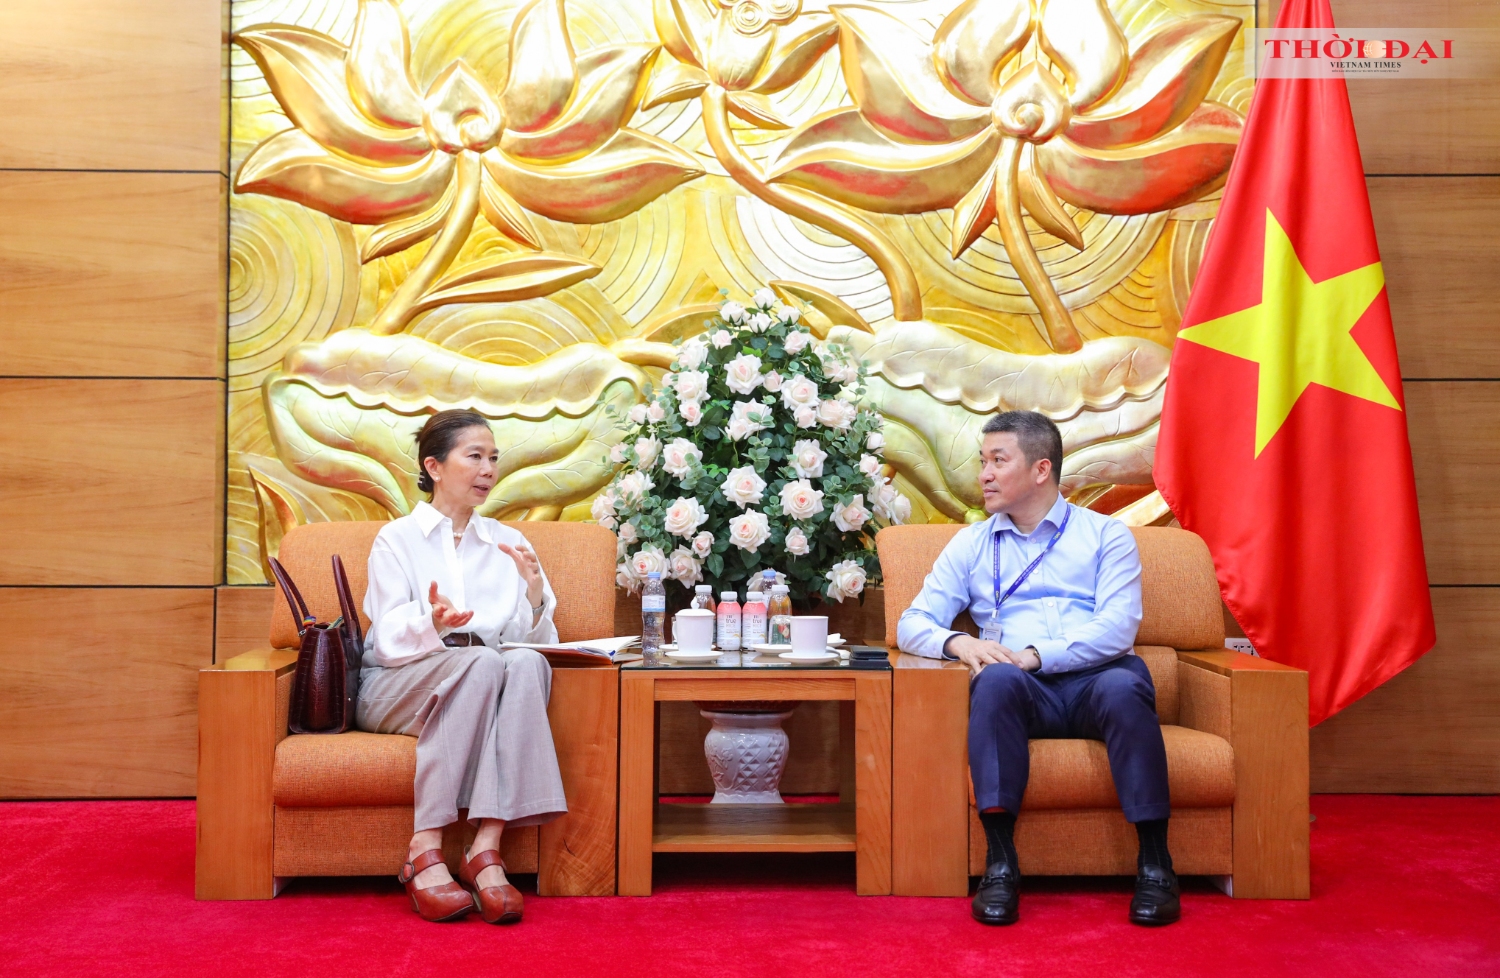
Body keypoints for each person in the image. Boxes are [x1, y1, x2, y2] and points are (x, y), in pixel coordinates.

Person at [897, 411, 1179, 927]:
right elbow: (911, 623)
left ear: (1041, 469)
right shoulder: (972, 543)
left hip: (1099, 678)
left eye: (998, 461)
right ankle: (1000, 863)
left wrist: (1037, 655)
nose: (983, 474)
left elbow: (1118, 629)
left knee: (1122, 686)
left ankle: (1156, 865)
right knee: (996, 678)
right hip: (1021, 687)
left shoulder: (1106, 536)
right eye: (983, 461)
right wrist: (958, 642)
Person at [358, 409, 567, 924]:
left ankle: (485, 847)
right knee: (479, 660)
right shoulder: (397, 539)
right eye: (474, 456)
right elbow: (384, 638)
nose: (488, 469)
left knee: (525, 667)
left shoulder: (508, 543)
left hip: (482, 672)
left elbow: (534, 642)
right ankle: (424, 845)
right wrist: (431, 621)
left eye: (493, 458)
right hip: (397, 684)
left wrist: (536, 595)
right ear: (434, 465)